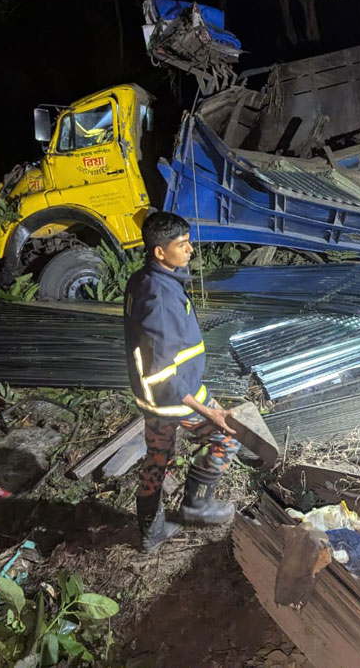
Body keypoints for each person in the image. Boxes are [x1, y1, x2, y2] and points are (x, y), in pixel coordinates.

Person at [123, 211, 241, 552]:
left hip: (152, 398)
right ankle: (196, 505)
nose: (190, 250)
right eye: (182, 244)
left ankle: (150, 531)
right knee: (228, 436)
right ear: (160, 252)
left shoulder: (145, 280)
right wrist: (208, 411)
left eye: (189, 242)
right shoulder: (160, 299)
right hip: (176, 396)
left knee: (158, 458)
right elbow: (162, 370)